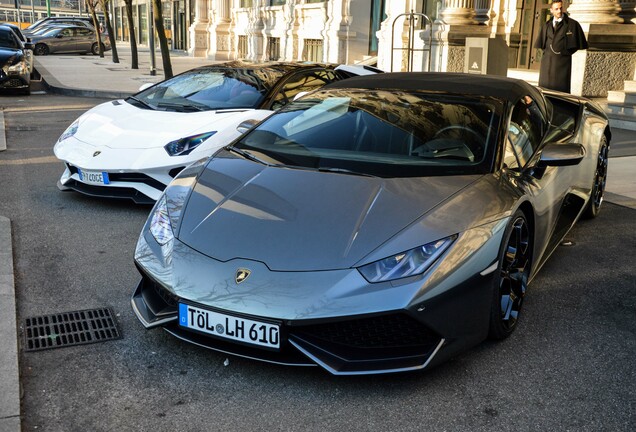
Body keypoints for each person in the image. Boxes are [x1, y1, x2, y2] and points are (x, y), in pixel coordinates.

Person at [534, 1, 588, 93]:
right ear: (551, 10)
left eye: (560, 8)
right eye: (556, 9)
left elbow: (578, 44)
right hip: (547, 63)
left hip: (562, 63)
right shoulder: (546, 25)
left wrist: (564, 53)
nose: (559, 11)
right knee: (545, 91)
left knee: (560, 92)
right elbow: (542, 44)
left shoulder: (572, 24)